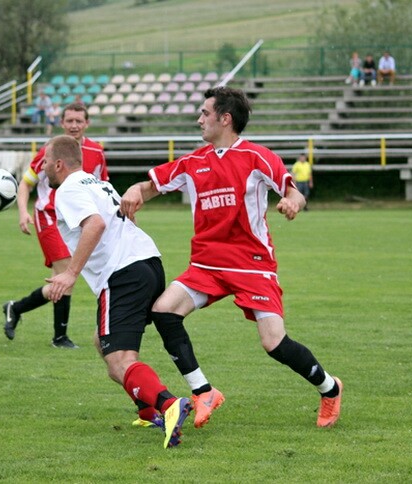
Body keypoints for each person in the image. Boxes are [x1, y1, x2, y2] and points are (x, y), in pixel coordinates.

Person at [120, 86, 343, 429]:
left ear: (225, 119)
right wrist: (135, 190)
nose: (199, 120)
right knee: (164, 311)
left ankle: (330, 388)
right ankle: (204, 391)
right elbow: (149, 186)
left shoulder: (257, 157)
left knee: (274, 343)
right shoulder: (193, 162)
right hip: (206, 265)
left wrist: (292, 203)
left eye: (205, 113)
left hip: (251, 265)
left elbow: (293, 191)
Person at [42, 134, 193, 449]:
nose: (42, 168)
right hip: (149, 263)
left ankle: (168, 405)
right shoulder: (99, 183)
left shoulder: (67, 189)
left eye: (44, 162)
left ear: (58, 164)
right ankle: (147, 409)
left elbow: (95, 224)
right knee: (103, 342)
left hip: (122, 273)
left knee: (119, 359)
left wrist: (70, 273)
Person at [3, 103, 109, 348]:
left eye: (78, 121)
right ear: (61, 123)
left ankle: (15, 308)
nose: (74, 125)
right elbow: (26, 183)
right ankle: (59, 337)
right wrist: (22, 212)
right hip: (49, 215)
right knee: (66, 268)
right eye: (69, 121)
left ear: (87, 124)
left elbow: (102, 185)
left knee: (59, 279)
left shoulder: (96, 151)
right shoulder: (49, 151)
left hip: (77, 218)